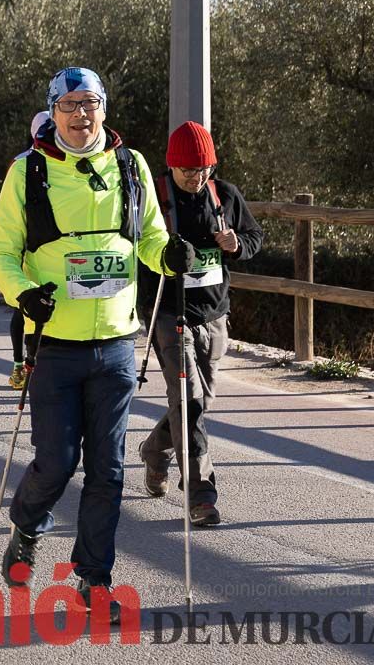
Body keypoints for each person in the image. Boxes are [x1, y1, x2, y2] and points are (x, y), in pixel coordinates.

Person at [0, 67, 195, 622]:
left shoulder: (131, 165)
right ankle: (27, 526)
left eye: (91, 104)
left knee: (108, 470)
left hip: (117, 346)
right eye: (70, 105)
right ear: (53, 111)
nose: (81, 115)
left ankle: (93, 580)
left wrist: (166, 255)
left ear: (104, 109)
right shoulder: (26, 172)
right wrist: (24, 293)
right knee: (56, 463)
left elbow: (147, 235)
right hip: (53, 345)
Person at [138, 121, 263, 528]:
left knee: (198, 402)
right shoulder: (155, 198)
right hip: (169, 315)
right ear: (172, 166)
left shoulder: (223, 194)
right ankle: (201, 493)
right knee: (188, 397)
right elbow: (132, 248)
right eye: (189, 170)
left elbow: (254, 236)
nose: (197, 177)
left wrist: (237, 245)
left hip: (214, 314)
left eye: (204, 169)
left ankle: (155, 450)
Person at [7, 110, 52, 390]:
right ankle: (18, 363)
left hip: (49, 248)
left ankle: (33, 361)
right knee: (21, 304)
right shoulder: (21, 164)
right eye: (45, 132)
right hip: (25, 245)